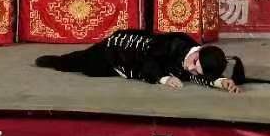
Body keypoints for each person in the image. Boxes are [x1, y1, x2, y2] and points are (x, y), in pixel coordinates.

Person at [35, 29, 241, 93]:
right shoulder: (176, 44)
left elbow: (198, 76)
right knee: (81, 64)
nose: (190, 67)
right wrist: (164, 79)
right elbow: (149, 60)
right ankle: (55, 61)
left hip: (128, 67)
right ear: (199, 50)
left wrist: (221, 82)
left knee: (96, 70)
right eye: (194, 61)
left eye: (196, 69)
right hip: (119, 49)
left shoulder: (195, 66)